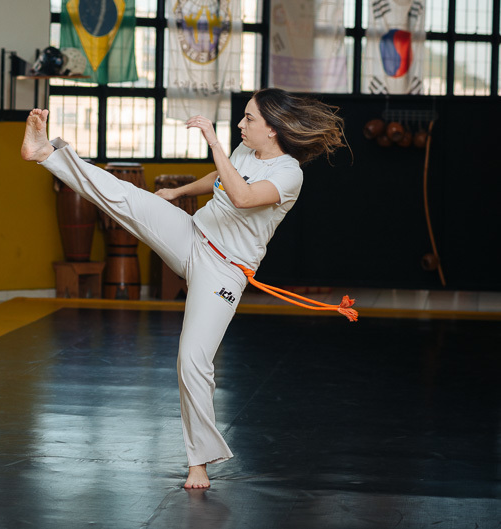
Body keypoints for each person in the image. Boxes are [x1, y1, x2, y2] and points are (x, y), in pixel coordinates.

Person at [21, 88, 351, 489]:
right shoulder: (246, 150)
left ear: (273, 129)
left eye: (249, 119)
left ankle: (200, 463)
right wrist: (177, 193)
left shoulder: (289, 173)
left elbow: (243, 196)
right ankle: (46, 153)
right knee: (125, 197)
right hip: (192, 235)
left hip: (224, 271)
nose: (241, 124)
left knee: (192, 360)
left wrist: (213, 142)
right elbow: (220, 177)